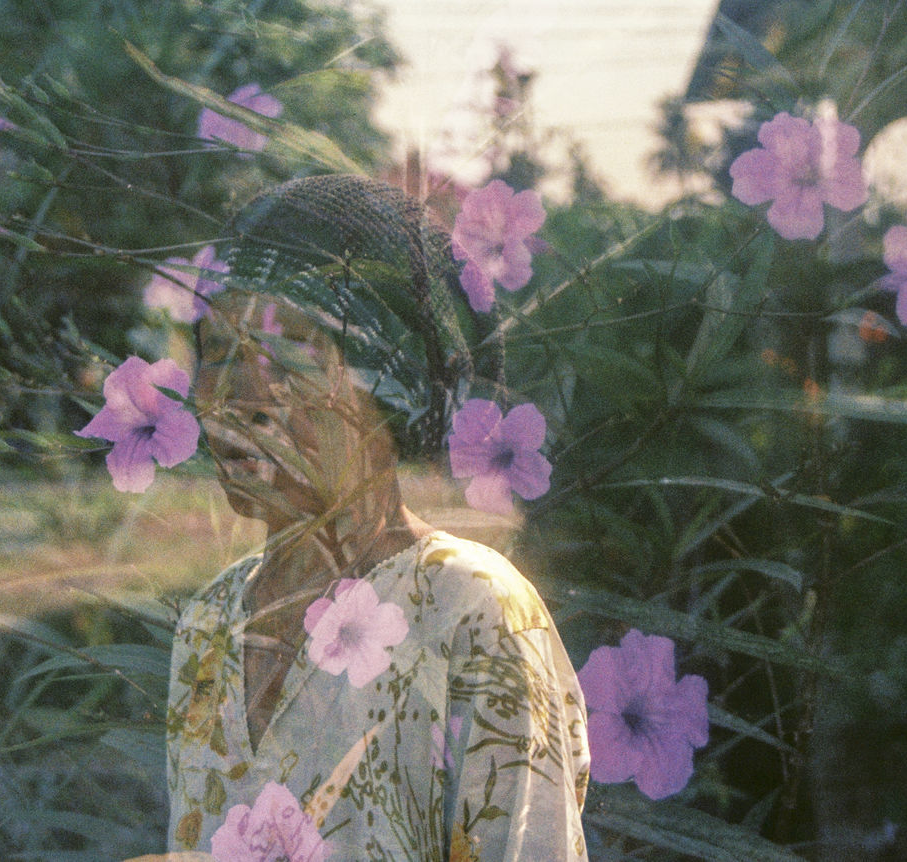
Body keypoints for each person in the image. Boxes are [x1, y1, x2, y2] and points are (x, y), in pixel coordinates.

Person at [164, 175, 589, 860]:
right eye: (216, 352)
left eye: (292, 350)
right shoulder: (209, 625)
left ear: (387, 387)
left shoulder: (469, 610)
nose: (241, 397)